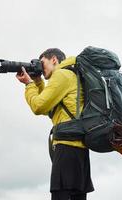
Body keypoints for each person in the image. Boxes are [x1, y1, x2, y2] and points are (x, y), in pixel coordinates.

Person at [16, 48, 94, 200]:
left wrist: (28, 84)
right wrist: (38, 82)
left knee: (60, 196)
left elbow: (39, 106)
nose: (40, 67)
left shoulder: (61, 74)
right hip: (80, 151)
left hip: (66, 148)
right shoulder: (72, 75)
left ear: (54, 60)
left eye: (42, 62)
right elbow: (50, 108)